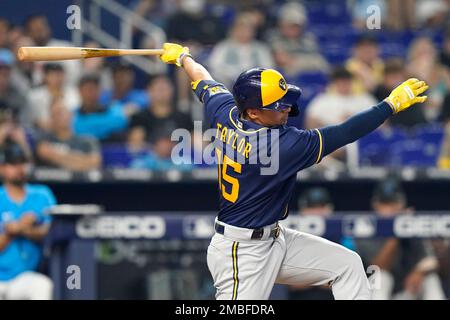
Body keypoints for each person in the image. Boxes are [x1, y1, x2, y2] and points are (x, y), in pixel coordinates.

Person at [158, 42, 428, 300]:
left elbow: (203, 80)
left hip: (275, 238)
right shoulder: (281, 145)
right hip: (243, 252)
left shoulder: (225, 111)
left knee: (347, 265)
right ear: (253, 112)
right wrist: (389, 105)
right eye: (278, 105)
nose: (286, 109)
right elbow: (346, 132)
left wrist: (184, 58)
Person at [355, 178, 445, 300]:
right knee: (382, 278)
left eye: (393, 203)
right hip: (380, 293)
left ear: (402, 203)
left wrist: (419, 271)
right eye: (384, 203)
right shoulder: (367, 228)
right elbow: (377, 267)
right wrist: (397, 232)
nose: (389, 209)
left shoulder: (411, 224)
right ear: (375, 204)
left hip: (408, 291)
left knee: (430, 279)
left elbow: (432, 260)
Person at [0, 141, 56, 299]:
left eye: (22, 163)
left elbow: (51, 231)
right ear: (2, 168)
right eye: (12, 164)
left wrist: (22, 229)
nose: (19, 169)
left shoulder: (41, 195)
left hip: (24, 277)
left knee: (42, 286)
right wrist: (11, 232)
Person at [208, 13, 274, 88]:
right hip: (228, 84)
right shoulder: (223, 47)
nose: (244, 33)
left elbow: (268, 68)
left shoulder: (261, 48)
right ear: (234, 30)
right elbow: (215, 67)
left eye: (247, 30)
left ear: (253, 32)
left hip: (255, 86)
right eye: (241, 29)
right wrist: (234, 75)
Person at [35, 97, 101, 172]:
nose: (59, 117)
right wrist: (83, 160)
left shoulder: (88, 140)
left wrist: (57, 156)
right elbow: (45, 153)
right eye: (55, 114)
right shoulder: (44, 138)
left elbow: (94, 163)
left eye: (62, 112)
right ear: (51, 119)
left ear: (71, 115)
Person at [73, 74, 136, 142]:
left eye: (95, 88)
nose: (92, 93)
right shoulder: (72, 116)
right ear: (79, 90)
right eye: (89, 89)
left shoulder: (116, 110)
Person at [28, 63, 80, 131]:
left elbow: (75, 115)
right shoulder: (34, 96)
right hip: (43, 131)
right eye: (53, 75)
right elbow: (33, 120)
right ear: (45, 76)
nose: (57, 78)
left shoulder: (73, 93)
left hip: (70, 130)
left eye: (60, 74)